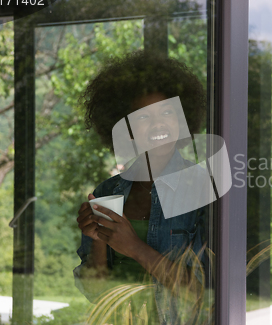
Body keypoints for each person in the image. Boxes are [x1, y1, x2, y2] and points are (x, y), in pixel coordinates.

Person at [73, 51, 209, 324]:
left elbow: (201, 293)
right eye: (144, 116)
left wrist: (134, 247)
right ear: (127, 128)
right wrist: (98, 241)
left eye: (168, 112)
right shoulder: (107, 192)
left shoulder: (202, 189)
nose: (158, 123)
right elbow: (95, 292)